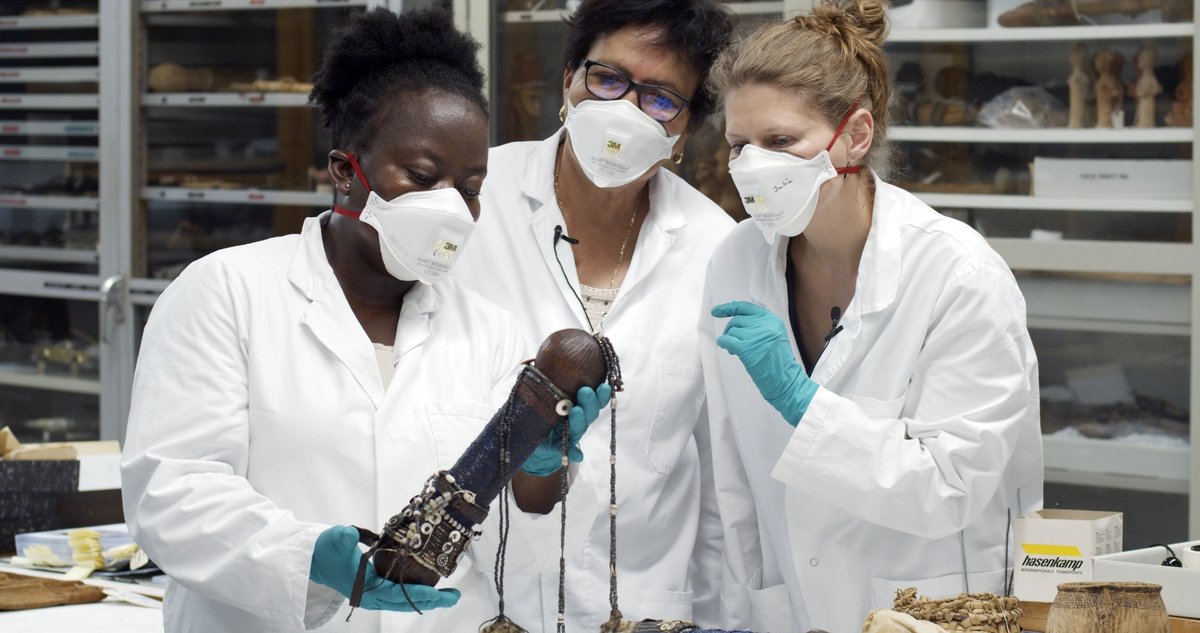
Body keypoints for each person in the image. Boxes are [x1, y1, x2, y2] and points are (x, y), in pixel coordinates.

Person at [121, 7, 609, 633]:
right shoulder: (227, 292)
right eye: (423, 177)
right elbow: (172, 495)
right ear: (346, 172)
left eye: (470, 186)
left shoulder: (489, 332)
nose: (452, 209)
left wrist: (540, 476)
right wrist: (309, 558)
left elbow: (510, 554)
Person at [698, 1, 1044, 631]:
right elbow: (732, 478)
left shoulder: (956, 274)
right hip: (788, 607)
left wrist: (804, 405)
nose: (751, 167)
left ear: (855, 136)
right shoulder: (736, 259)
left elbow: (952, 487)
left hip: (929, 607)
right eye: (738, 145)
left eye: (780, 142)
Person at [451, 0, 735, 629]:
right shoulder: (474, 200)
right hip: (476, 597)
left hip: (643, 605)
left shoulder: (716, 249)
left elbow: (719, 477)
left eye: (661, 98)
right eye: (607, 79)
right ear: (568, 81)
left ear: (686, 128)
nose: (625, 112)